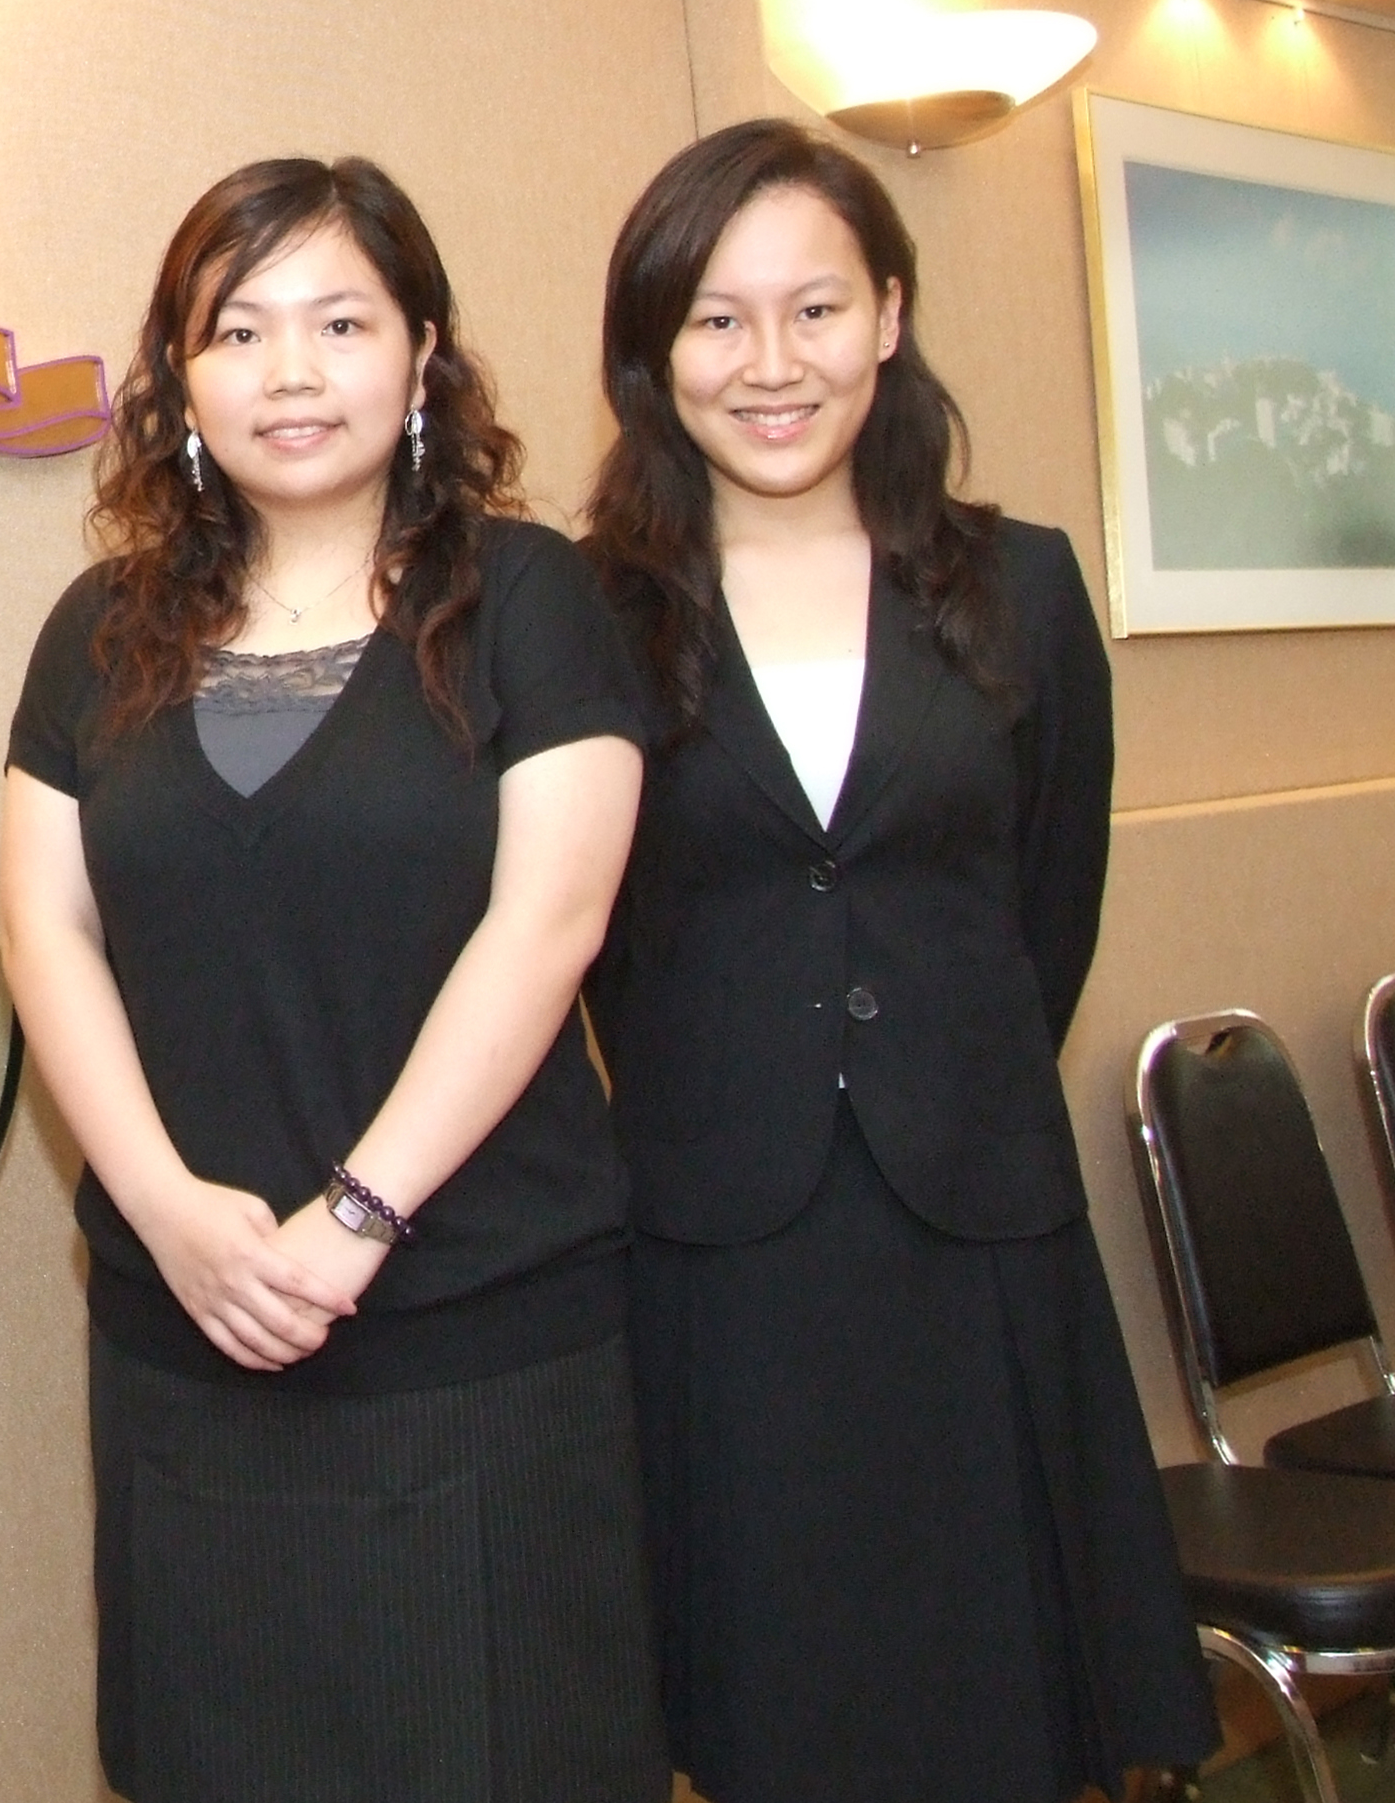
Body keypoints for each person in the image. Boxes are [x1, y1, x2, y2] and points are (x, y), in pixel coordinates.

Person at [0, 155, 669, 1803]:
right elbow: (49, 935)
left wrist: (354, 1218)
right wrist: (160, 1206)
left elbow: (548, 924)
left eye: (339, 320)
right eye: (237, 330)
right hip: (188, 1338)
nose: (288, 371)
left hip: (474, 1333)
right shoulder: (98, 626)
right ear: (179, 379)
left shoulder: (528, 596)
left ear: (422, 353)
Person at [583, 118, 1216, 1803]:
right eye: (714, 319)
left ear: (889, 314)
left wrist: (928, 1067)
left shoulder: (1018, 587)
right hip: (717, 1233)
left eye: (813, 308)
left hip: (971, 1214)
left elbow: (1045, 906)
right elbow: (580, 942)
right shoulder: (584, 617)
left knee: (997, 1701)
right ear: (651, 352)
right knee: (767, 1714)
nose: (769, 362)